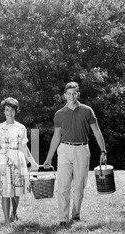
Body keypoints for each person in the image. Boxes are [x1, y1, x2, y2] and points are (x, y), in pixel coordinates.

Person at [43, 81, 107, 226]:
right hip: (65, 150)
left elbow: (97, 131)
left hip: (82, 150)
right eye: (69, 94)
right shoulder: (59, 114)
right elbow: (56, 137)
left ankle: (76, 214)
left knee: (79, 186)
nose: (72, 96)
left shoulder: (87, 111)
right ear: (65, 95)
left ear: (78, 94)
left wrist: (103, 150)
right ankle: (63, 218)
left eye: (74, 93)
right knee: (63, 186)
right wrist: (49, 158)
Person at [0, 97, 39, 226]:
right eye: (7, 110)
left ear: (16, 111)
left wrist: (32, 162)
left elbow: (24, 147)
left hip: (18, 159)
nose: (9, 112)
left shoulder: (21, 127)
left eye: (12, 110)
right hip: (3, 159)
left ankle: (14, 213)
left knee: (16, 191)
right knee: (5, 191)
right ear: (4, 111)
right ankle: (6, 221)